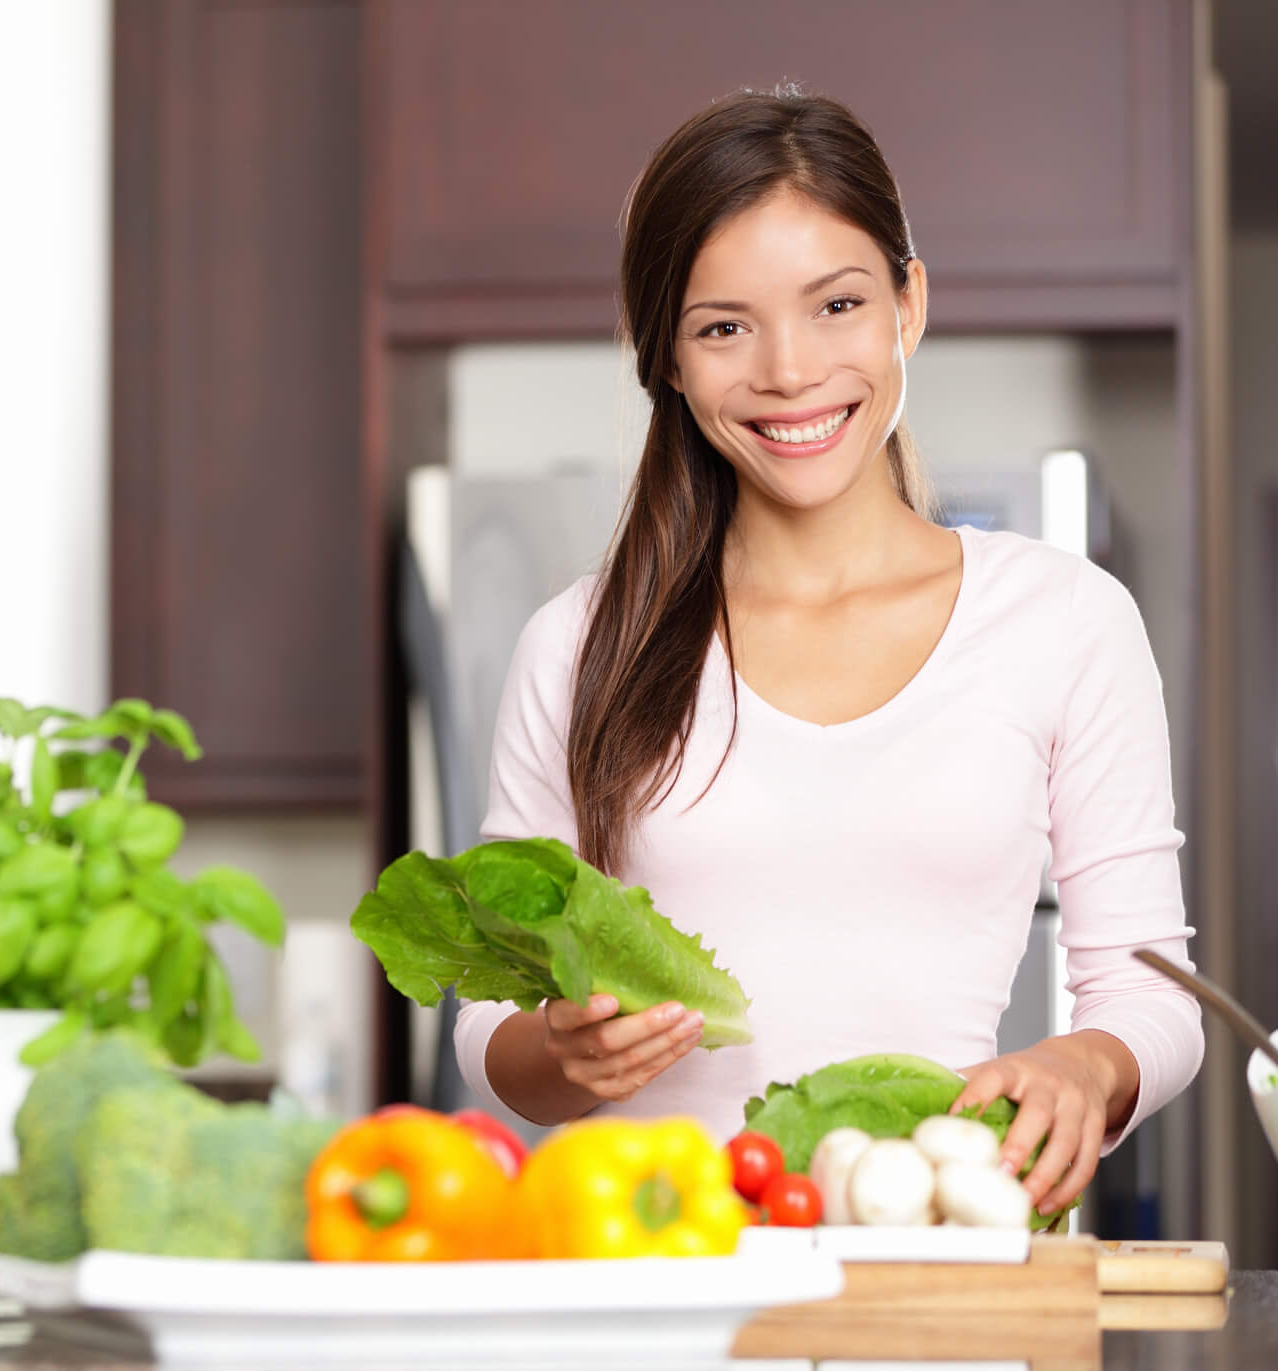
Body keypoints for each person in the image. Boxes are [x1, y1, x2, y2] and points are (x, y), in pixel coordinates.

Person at [453, 88, 1203, 1219]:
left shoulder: (1063, 620)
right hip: (659, 1264)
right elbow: (486, 1029)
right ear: (664, 355)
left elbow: (1155, 993)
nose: (789, 370)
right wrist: (559, 1053)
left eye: (837, 303)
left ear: (909, 302)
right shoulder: (578, 643)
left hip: (935, 1252)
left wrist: (1086, 1064)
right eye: (723, 326)